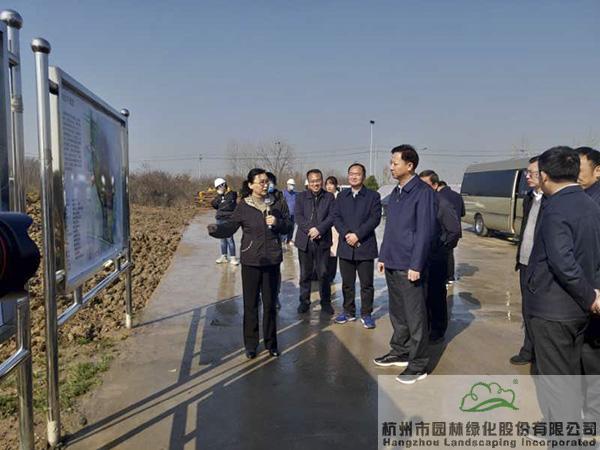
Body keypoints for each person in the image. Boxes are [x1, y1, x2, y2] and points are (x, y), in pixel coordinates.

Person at [526, 147, 600, 421]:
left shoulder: (555, 208)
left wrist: (590, 295)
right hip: (577, 311)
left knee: (557, 386)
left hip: (554, 311)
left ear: (545, 175)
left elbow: (563, 263)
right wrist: (592, 294)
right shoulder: (589, 204)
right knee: (569, 377)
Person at [208, 168, 292, 359]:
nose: (265, 185)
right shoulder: (243, 206)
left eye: (266, 181)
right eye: (261, 182)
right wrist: (216, 230)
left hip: (271, 260)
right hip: (251, 261)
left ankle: (271, 344)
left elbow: (288, 225)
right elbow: (231, 226)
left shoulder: (276, 203)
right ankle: (251, 345)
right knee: (251, 305)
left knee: (270, 305)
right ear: (250, 185)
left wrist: (277, 222)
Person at [374, 145, 436, 385]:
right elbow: (390, 229)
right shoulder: (397, 192)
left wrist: (416, 265)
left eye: (395, 163)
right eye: (391, 162)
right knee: (398, 312)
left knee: (415, 316)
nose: (391, 167)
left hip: (410, 264)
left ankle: (418, 364)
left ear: (410, 166)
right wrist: (384, 256)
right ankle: (400, 351)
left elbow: (425, 231)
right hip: (393, 260)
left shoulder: (422, 192)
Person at [333, 163, 381, 329]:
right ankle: (348, 312)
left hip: (365, 245)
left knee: (366, 284)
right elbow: (336, 217)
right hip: (346, 245)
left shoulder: (373, 196)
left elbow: (375, 219)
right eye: (351, 174)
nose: (354, 176)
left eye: (357, 174)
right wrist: (347, 234)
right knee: (347, 283)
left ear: (363, 176)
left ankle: (366, 314)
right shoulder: (341, 196)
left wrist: (358, 235)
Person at [419, 170, 460, 344]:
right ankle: (425, 327)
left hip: (436, 258)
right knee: (423, 295)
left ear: (435, 186)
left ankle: (437, 330)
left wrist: (440, 248)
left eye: (426, 185)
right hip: (421, 258)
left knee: (436, 295)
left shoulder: (442, 204)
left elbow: (454, 231)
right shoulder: (420, 203)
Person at [509, 156, 542, 366]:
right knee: (527, 308)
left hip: (542, 266)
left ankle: (541, 353)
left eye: (532, 173)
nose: (527, 177)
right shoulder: (530, 197)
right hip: (525, 262)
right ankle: (528, 349)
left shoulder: (553, 199)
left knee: (541, 312)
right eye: (527, 173)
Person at [577, 147, 600, 423]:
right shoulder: (581, 198)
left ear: (597, 170)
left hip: (593, 292)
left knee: (592, 356)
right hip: (583, 291)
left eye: (580, 170)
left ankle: (593, 416)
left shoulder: (594, 203)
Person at [294, 169, 336, 315]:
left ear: (322, 181)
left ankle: (326, 302)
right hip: (304, 241)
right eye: (312, 181)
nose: (315, 184)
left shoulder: (329, 197)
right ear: (308, 182)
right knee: (305, 274)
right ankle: (304, 301)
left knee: (323, 273)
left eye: (318, 180)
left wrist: (319, 229)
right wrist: (310, 229)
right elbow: (298, 216)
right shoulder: (301, 197)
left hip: (322, 241)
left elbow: (332, 216)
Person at [437, 180, 465, 284]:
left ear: (438, 186)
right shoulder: (458, 196)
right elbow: (463, 213)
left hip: (443, 230)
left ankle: (444, 277)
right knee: (450, 253)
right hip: (456, 229)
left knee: (442, 255)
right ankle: (451, 276)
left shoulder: (439, 197)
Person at [210, 178, 239, 265]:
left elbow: (228, 205)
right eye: (217, 188)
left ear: (223, 185)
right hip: (219, 218)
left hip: (228, 219)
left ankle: (233, 257)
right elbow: (214, 204)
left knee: (229, 238)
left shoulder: (232, 194)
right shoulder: (219, 196)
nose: (218, 189)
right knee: (222, 239)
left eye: (219, 187)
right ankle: (224, 256)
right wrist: (220, 198)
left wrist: (221, 201)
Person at [325, 176, 340, 284]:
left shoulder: (339, 197)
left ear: (335, 185)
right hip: (325, 227)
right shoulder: (324, 197)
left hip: (336, 229)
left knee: (334, 253)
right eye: (327, 184)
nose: (329, 186)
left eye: (331, 184)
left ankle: (331, 276)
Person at [283, 179, 297, 245]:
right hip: (286, 215)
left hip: (293, 215)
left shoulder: (295, 194)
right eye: (291, 185)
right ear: (287, 185)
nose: (292, 186)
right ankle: (284, 241)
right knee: (286, 228)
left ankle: (290, 241)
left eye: (293, 185)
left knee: (292, 228)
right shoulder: (283, 193)